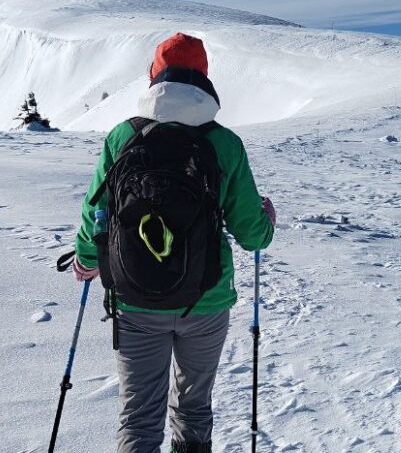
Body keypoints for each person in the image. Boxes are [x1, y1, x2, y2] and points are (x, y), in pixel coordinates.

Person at [73, 32, 276, 453]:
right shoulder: (224, 143)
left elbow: (97, 212)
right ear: (203, 77)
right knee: (194, 407)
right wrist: (266, 221)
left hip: (134, 298)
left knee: (139, 417)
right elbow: (251, 233)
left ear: (154, 76)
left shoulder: (122, 136)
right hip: (206, 299)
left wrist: (86, 259)